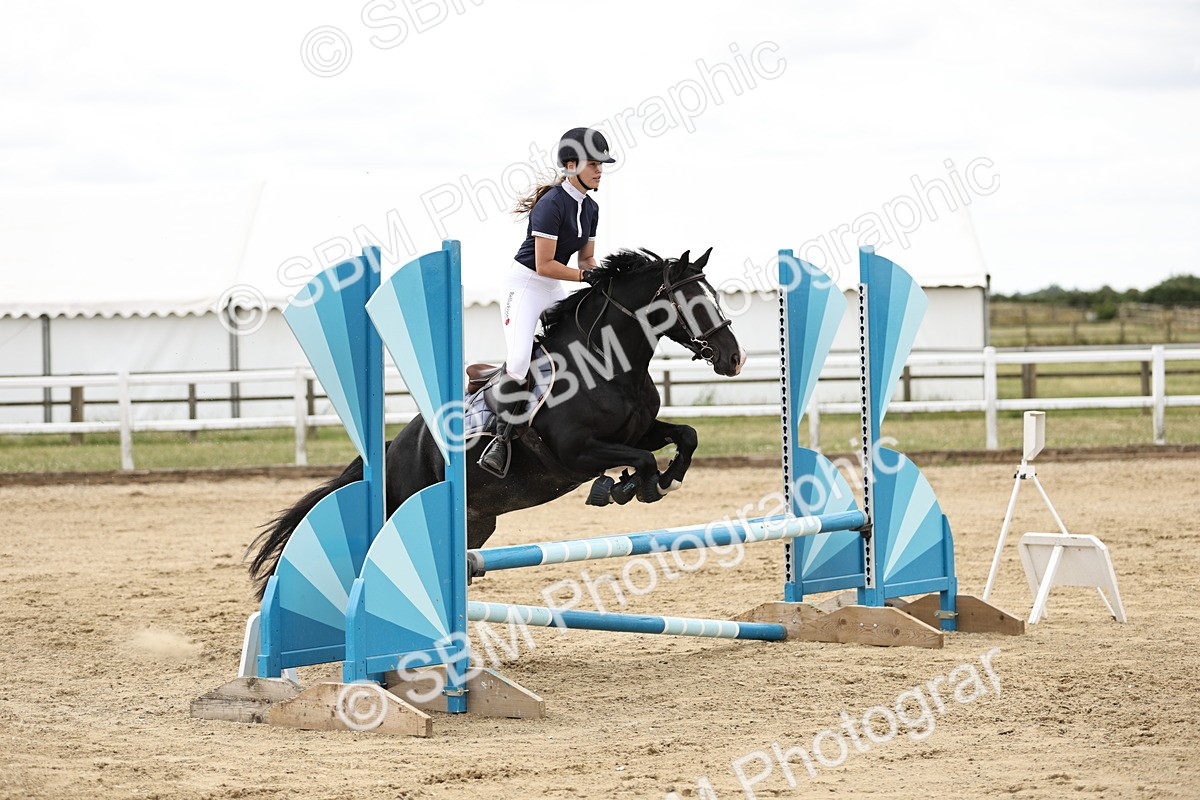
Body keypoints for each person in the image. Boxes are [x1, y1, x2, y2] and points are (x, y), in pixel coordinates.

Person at [477, 127, 616, 477]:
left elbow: (585, 261)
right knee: (521, 359)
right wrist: (586, 278)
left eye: (602, 163)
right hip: (525, 285)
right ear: (571, 166)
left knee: (587, 339)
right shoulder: (552, 204)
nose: (600, 169)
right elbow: (544, 264)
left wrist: (603, 281)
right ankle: (500, 439)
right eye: (593, 163)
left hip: (554, 285)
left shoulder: (592, 207)